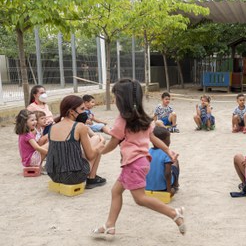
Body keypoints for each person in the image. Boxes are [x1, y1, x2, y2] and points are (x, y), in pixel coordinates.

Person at [93, 79, 185, 237]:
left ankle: (174, 213)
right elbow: (153, 138)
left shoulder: (122, 120)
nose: (115, 101)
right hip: (140, 162)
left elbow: (114, 142)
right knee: (116, 191)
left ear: (123, 101)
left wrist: (100, 151)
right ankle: (110, 225)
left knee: (140, 199)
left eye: (116, 98)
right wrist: (168, 151)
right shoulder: (144, 118)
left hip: (133, 164)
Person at [45, 95, 106, 188]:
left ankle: (90, 177)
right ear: (71, 111)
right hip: (74, 177)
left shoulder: (53, 127)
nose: (84, 112)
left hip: (53, 175)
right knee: (98, 141)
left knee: (94, 140)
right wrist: (100, 146)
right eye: (82, 109)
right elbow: (90, 155)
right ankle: (91, 178)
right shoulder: (79, 127)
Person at [146, 126, 180, 195]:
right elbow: (167, 174)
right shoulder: (166, 154)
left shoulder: (147, 152)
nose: (169, 141)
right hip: (163, 188)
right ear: (162, 141)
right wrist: (169, 190)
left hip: (148, 188)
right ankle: (175, 185)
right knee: (176, 162)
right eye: (168, 139)